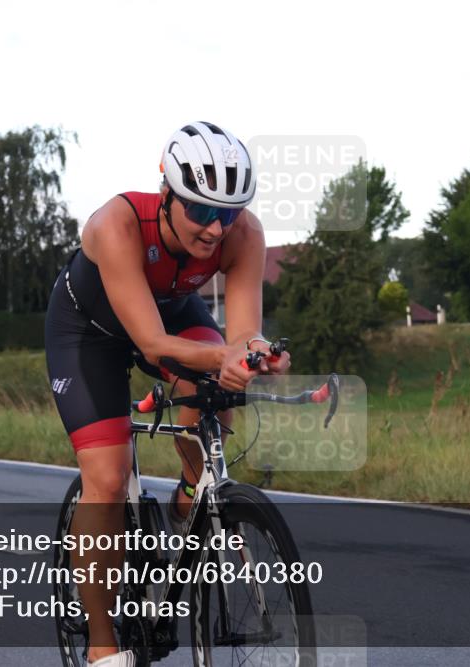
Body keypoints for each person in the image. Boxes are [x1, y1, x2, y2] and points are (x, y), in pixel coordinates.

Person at [44, 121, 290, 667]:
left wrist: (258, 353)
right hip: (90, 334)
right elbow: (152, 343)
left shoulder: (244, 234)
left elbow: (243, 330)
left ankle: (192, 493)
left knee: (214, 415)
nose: (213, 228)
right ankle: (104, 646)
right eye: (201, 211)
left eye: (225, 214)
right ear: (167, 194)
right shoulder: (118, 224)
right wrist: (224, 355)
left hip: (173, 312)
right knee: (106, 479)